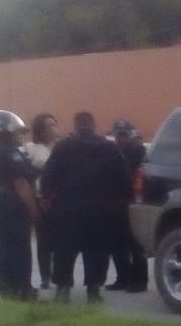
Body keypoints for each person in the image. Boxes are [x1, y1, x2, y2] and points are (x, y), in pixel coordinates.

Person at [41, 112, 132, 304]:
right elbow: (123, 178)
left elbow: (49, 176)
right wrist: (122, 201)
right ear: (93, 124)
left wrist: (47, 198)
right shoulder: (109, 147)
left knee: (64, 249)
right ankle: (93, 291)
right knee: (97, 251)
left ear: (76, 126)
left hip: (68, 208)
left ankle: (63, 290)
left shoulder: (63, 147)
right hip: (101, 209)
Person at [0, 110, 41, 300]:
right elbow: (21, 184)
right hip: (11, 207)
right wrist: (34, 212)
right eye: (18, 132)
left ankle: (6, 289)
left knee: (0, 248)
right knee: (20, 248)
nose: (20, 136)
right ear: (7, 132)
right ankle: (23, 290)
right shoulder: (9, 152)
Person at [107, 118, 148, 293]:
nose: (121, 138)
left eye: (124, 134)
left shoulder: (139, 152)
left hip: (133, 202)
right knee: (117, 243)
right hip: (115, 202)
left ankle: (140, 281)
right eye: (118, 134)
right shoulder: (112, 152)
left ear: (130, 135)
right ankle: (122, 278)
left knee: (135, 243)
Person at [27, 113, 59, 289]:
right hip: (40, 198)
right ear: (40, 130)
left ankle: (59, 275)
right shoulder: (31, 148)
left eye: (54, 124)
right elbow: (27, 174)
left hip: (60, 199)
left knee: (60, 240)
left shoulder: (62, 146)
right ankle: (45, 276)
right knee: (44, 240)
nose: (53, 129)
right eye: (48, 126)